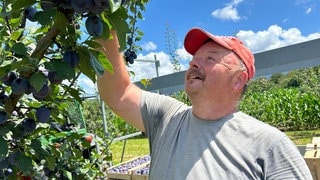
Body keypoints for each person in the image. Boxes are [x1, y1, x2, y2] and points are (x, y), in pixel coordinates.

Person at [97, 27, 312, 179]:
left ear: (238, 80)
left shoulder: (269, 144)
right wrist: (104, 19)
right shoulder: (167, 117)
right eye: (192, 61)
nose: (193, 64)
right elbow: (119, 92)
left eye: (210, 58)